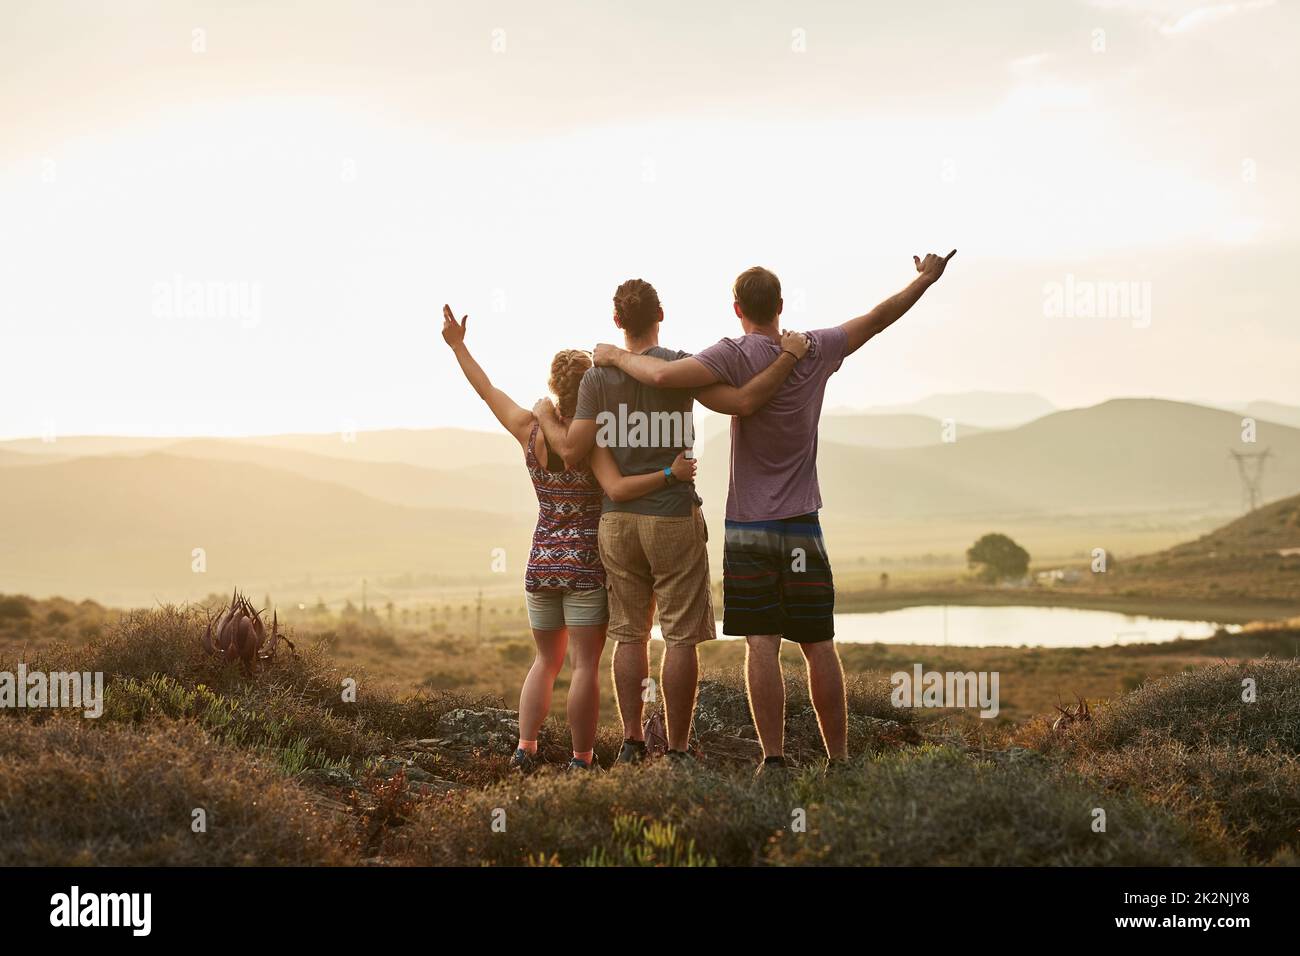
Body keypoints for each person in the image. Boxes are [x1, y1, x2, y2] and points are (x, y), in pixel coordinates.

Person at [591, 252, 956, 773]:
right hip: (803, 521)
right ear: (781, 305)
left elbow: (666, 376)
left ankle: (775, 760)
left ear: (736, 307)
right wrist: (924, 279)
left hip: (748, 525)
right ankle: (840, 761)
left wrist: (615, 357)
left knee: (761, 646)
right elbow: (879, 317)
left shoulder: (730, 354)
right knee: (819, 645)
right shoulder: (816, 347)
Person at [534, 278, 809, 765]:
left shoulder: (596, 379)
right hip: (673, 516)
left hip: (617, 521)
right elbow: (743, 402)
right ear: (661, 315)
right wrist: (788, 359)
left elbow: (573, 452)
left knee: (629, 635)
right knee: (680, 637)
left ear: (617, 322)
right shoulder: (683, 367)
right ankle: (678, 750)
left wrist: (544, 416)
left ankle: (633, 742)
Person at [439, 303, 691, 772]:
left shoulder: (528, 428)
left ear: (554, 387)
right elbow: (618, 486)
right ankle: (581, 759)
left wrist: (459, 346)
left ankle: (525, 749)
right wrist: (669, 474)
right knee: (584, 668)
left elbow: (487, 390)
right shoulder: (596, 440)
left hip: (541, 564)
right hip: (585, 569)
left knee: (544, 662)